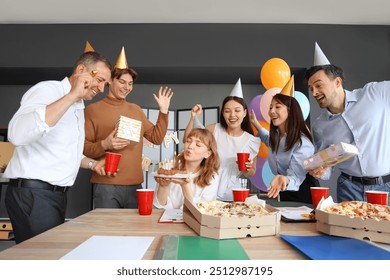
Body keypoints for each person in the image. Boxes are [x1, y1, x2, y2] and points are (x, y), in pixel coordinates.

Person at [4, 48, 112, 243]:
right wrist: (70, 96)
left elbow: (64, 151)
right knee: (44, 264)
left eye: (105, 83)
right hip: (35, 195)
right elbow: (16, 134)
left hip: (52, 196)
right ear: (81, 70)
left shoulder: (78, 107)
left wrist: (92, 164)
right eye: (100, 80)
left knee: (43, 263)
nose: (102, 89)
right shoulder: (48, 90)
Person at [83, 47, 173, 209]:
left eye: (130, 84)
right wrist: (105, 144)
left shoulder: (135, 110)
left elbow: (156, 138)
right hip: (105, 186)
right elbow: (84, 149)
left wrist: (164, 111)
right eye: (122, 82)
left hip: (135, 185)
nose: (127, 87)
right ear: (110, 80)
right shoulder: (92, 110)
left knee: (133, 233)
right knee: (107, 233)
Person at [305, 42, 390, 204]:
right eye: (311, 88)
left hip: (386, 186)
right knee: (347, 229)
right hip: (349, 187)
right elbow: (326, 164)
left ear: (337, 82)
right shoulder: (319, 126)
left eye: (318, 85)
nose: (314, 93)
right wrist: (320, 170)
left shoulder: (376, 94)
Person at [184, 78, 260, 201]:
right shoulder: (214, 129)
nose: (232, 115)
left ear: (245, 113)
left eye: (237, 110)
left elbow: (251, 173)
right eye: (227, 111)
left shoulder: (251, 141)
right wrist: (192, 118)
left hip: (232, 194)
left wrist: (248, 170)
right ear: (223, 113)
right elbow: (188, 140)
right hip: (205, 189)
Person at [250, 77, 319, 204]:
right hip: (285, 189)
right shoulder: (276, 135)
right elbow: (267, 138)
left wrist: (284, 180)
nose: (271, 111)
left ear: (290, 110)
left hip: (303, 192)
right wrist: (255, 123)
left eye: (277, 107)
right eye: (271, 107)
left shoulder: (302, 142)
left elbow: (296, 177)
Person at [154, 128, 220, 209]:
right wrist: (163, 186)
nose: (190, 146)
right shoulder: (168, 168)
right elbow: (159, 207)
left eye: (198, 145)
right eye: (188, 141)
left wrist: (185, 185)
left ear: (207, 153)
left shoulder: (211, 177)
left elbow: (203, 212)